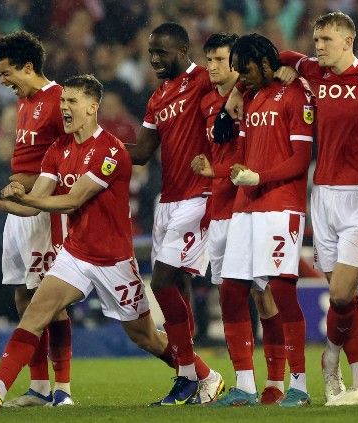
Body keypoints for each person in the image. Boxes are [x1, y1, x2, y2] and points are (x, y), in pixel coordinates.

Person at [0, 75, 171, 409]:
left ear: (92, 107)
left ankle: (200, 375)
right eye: (63, 101)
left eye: (72, 101)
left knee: (146, 337)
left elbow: (71, 200)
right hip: (76, 253)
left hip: (113, 260)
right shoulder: (59, 149)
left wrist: (27, 199)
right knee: (36, 311)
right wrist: (1, 204)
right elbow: (36, 201)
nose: (65, 107)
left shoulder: (110, 149)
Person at [225, 11, 358, 406]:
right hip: (323, 197)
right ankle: (354, 378)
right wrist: (236, 90)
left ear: (348, 41)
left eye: (327, 39)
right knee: (343, 296)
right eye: (316, 40)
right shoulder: (310, 72)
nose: (319, 47)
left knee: (342, 294)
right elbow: (269, 56)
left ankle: (334, 365)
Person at [209, 33, 313, 408]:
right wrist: (233, 171)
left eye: (247, 69)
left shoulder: (297, 94)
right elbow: (244, 149)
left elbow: (301, 160)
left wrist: (259, 177)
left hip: (281, 205)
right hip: (245, 205)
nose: (243, 77)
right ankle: (245, 385)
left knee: (281, 291)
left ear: (266, 63)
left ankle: (298, 386)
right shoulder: (248, 98)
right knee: (231, 290)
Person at [129, 22, 223, 405]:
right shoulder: (158, 97)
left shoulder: (203, 79)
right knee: (176, 287)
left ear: (183, 50)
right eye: (151, 52)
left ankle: (195, 373)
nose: (154, 59)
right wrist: (97, 142)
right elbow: (141, 153)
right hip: (167, 202)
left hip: (198, 197)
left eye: (162, 52)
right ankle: (194, 377)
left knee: (163, 282)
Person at [190, 32, 286, 405]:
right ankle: (244, 384)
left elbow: (255, 156)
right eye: (209, 60)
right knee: (229, 298)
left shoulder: (257, 97)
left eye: (222, 60)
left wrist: (216, 171)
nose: (214, 68)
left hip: (248, 207)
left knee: (264, 295)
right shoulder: (206, 104)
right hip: (218, 212)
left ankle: (276, 382)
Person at [0, 30, 73, 407]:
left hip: (43, 211)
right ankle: (39, 388)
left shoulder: (59, 100)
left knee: (50, 301)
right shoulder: (25, 101)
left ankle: (63, 388)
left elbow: (74, 151)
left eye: (7, 73)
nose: (2, 81)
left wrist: (36, 185)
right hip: (18, 210)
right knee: (23, 297)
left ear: (27, 66)